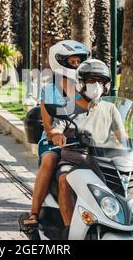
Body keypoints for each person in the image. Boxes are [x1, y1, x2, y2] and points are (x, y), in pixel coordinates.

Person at [54, 59, 133, 239]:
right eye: (92, 81)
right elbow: (55, 129)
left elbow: (122, 136)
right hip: (75, 159)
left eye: (101, 82)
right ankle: (69, 228)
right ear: (81, 83)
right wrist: (57, 136)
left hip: (102, 160)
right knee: (63, 179)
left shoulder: (110, 108)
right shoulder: (68, 107)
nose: (96, 86)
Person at [21, 40, 90, 230]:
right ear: (60, 61)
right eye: (73, 61)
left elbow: (98, 113)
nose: (77, 65)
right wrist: (55, 135)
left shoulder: (85, 88)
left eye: (79, 61)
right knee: (50, 159)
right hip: (54, 141)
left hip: (82, 139)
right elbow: (49, 126)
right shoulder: (49, 89)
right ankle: (34, 213)